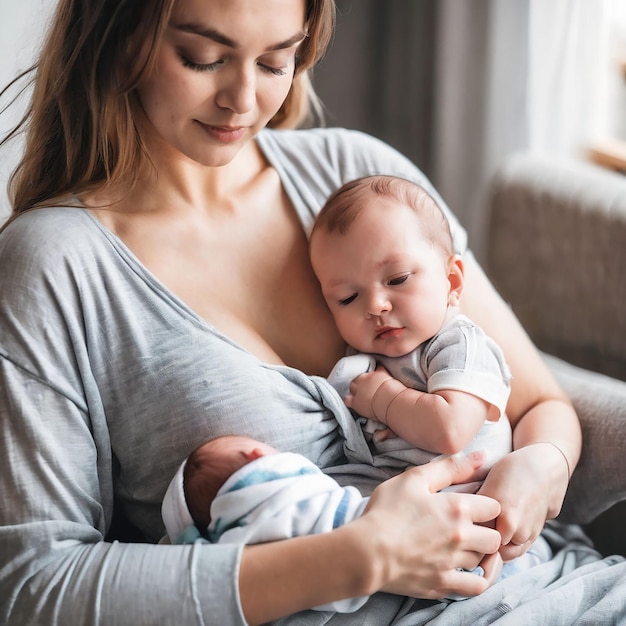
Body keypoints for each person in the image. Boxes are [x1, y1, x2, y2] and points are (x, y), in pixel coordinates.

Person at [0, 0, 625, 624]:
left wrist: (541, 467)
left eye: (276, 60)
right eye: (203, 57)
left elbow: (542, 403)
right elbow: (34, 586)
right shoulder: (55, 265)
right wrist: (361, 556)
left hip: (560, 589)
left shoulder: (355, 179)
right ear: (117, 33)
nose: (243, 99)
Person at [161, 434, 550, 609]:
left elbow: (209, 571)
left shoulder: (232, 537)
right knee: (468, 521)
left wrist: (546, 459)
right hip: (372, 521)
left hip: (377, 574)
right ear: (253, 453)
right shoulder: (278, 477)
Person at [310, 175, 514, 482]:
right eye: (348, 298)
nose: (375, 305)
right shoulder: (368, 358)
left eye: (397, 279)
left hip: (470, 495)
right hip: (398, 495)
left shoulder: (460, 345)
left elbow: (451, 430)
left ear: (452, 281)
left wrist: (384, 398)